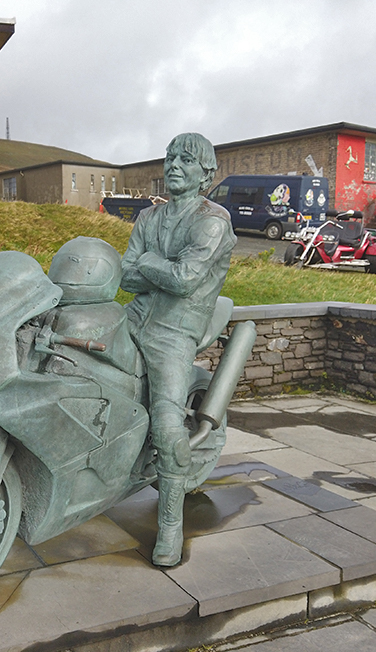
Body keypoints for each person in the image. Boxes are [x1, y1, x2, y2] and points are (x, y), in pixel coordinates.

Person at [120, 132, 236, 566]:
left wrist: (147, 265)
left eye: (186, 161)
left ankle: (170, 525)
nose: (173, 167)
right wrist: (151, 270)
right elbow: (123, 276)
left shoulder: (212, 220)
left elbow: (185, 279)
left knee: (169, 427)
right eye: (170, 158)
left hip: (173, 331)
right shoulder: (149, 219)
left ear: (206, 173)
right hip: (134, 315)